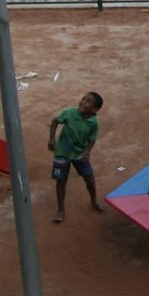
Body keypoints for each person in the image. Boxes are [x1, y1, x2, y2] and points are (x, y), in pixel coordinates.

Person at [47, 91, 104, 222]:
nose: (83, 102)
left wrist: (88, 151)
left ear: (95, 109)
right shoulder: (69, 113)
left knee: (90, 179)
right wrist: (51, 140)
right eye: (83, 99)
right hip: (62, 152)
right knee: (61, 181)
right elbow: (55, 121)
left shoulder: (94, 122)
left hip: (79, 153)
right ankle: (61, 209)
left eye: (88, 101)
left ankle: (94, 201)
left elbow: (92, 139)